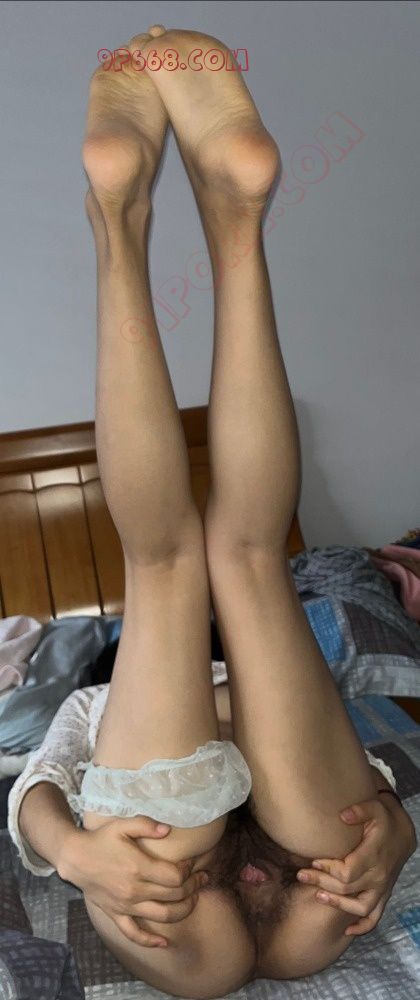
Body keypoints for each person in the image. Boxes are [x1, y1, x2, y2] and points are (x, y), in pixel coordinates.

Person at [8, 26, 416, 999]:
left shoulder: (96, 709)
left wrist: (75, 851)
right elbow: (367, 780)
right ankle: (234, 226)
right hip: (310, 883)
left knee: (174, 564)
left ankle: (121, 225)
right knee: (245, 558)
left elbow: (35, 791)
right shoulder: (143, 699)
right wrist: (395, 831)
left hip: (187, 889)